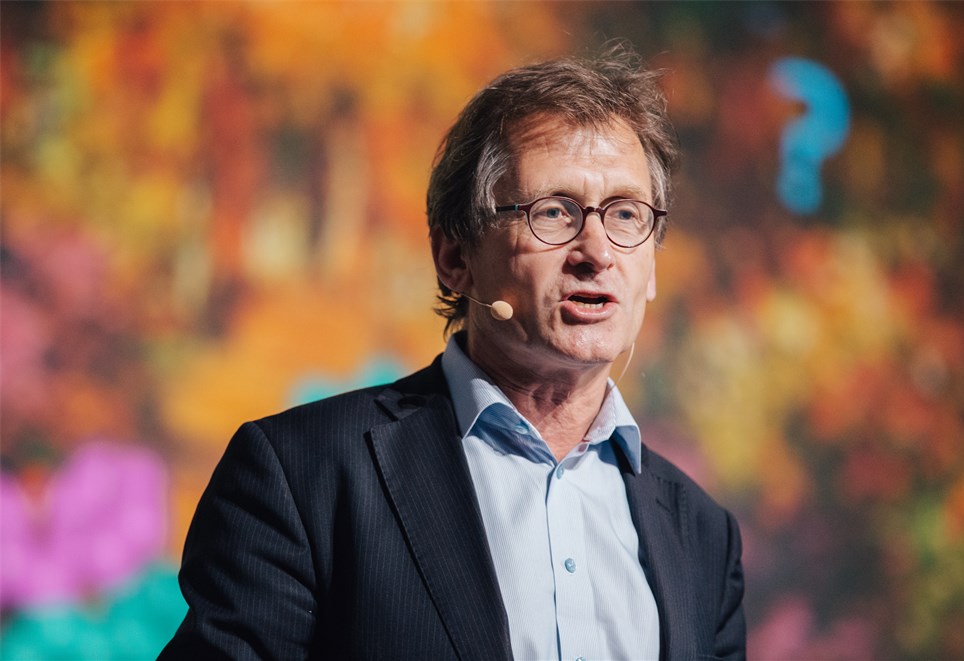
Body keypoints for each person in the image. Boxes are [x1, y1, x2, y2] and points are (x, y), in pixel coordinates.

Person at [160, 44, 745, 661]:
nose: (596, 250)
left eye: (626, 214)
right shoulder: (302, 474)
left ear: (651, 267)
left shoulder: (703, 537)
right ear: (455, 259)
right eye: (554, 212)